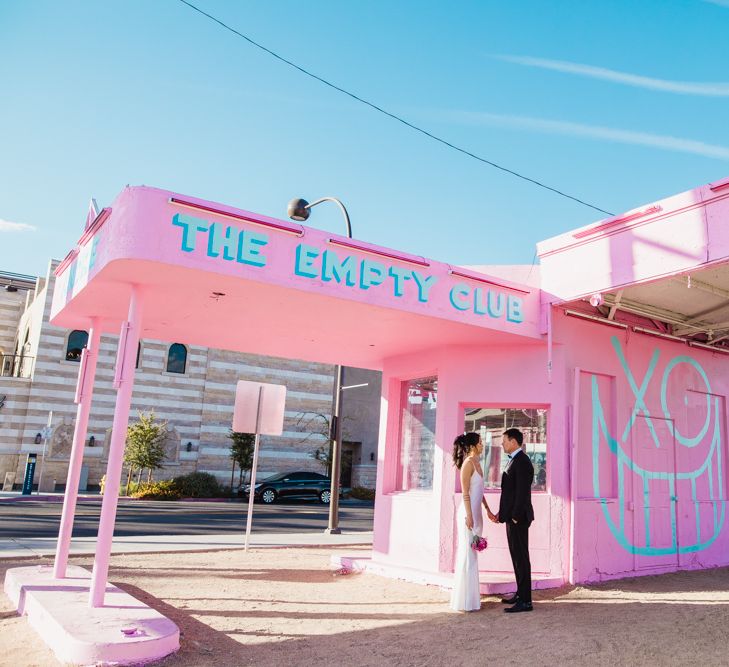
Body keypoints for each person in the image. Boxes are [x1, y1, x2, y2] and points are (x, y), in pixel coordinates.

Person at [450, 432, 496, 612]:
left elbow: (479, 492)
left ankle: (472, 600)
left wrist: (487, 509)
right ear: (473, 445)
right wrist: (469, 516)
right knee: (467, 554)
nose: (482, 445)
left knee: (473, 555)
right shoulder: (468, 464)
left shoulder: (478, 463)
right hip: (468, 514)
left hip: (477, 513)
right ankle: (464, 601)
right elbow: (466, 493)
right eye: (480, 442)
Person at [491, 428, 534, 613]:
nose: (502, 444)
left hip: (519, 518)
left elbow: (522, 492)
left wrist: (515, 516)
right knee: (516, 557)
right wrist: (502, 513)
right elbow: (510, 493)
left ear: (514, 442)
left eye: (505, 440)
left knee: (521, 557)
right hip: (512, 517)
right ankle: (520, 593)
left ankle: (526, 601)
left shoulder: (522, 462)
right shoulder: (515, 461)